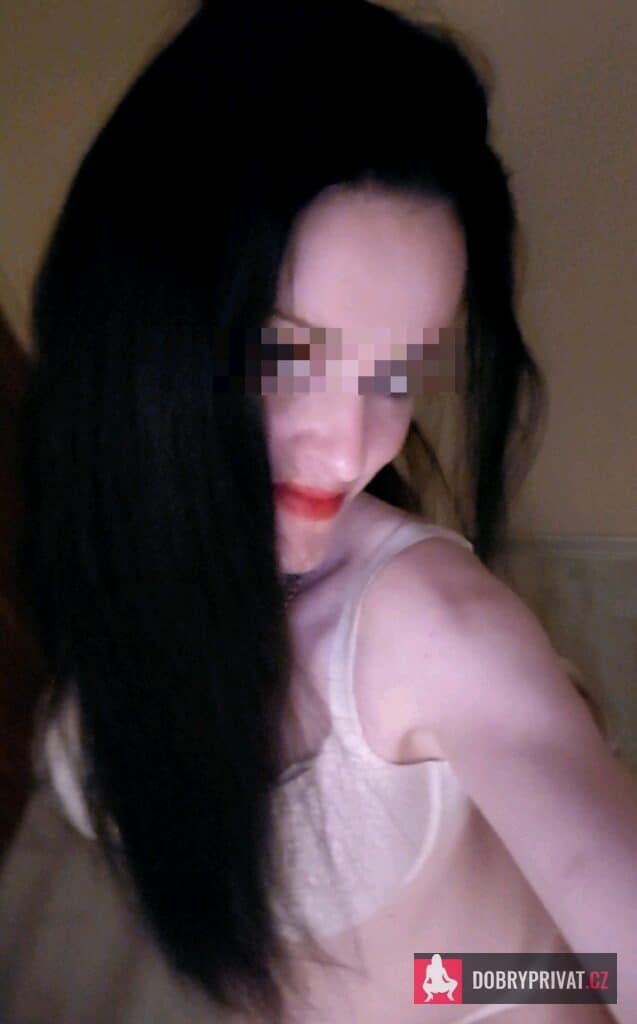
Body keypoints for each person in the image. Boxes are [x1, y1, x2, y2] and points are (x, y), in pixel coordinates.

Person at [6, 1, 636, 1022]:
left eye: (396, 372)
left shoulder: (430, 627)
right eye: (285, 354)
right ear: (141, 327)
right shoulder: (95, 559)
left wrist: (493, 991)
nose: (351, 451)